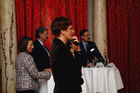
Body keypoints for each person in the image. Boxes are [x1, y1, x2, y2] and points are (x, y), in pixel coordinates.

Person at [50, 16, 84, 93]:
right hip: (67, 89)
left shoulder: (64, 46)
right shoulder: (60, 49)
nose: (73, 31)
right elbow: (74, 71)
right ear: (62, 31)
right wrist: (77, 52)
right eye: (70, 28)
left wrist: (78, 50)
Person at [31, 27, 51, 93]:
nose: (48, 36)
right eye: (46, 34)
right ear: (40, 34)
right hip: (40, 75)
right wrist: (43, 69)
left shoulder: (43, 45)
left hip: (47, 75)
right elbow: (34, 60)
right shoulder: (35, 45)